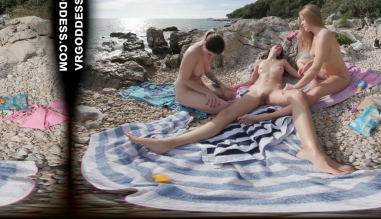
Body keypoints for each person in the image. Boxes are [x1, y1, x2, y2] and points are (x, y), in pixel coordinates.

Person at [126, 43, 355, 174]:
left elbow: (299, 76)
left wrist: (311, 77)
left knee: (297, 95)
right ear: (269, 48)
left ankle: (314, 153)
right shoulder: (259, 62)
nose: (277, 47)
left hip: (274, 93)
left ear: (281, 52)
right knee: (225, 114)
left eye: (280, 46)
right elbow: (251, 81)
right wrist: (234, 87)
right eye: (275, 45)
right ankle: (169, 142)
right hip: (255, 93)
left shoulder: (283, 63)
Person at [238, 4, 352, 125]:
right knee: (301, 61)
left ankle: (267, 116)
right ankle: (313, 82)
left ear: (312, 17)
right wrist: (309, 64)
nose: (301, 23)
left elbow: (315, 69)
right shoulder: (315, 35)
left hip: (338, 76)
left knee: (314, 92)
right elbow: (323, 56)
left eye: (302, 19)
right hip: (325, 72)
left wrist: (296, 86)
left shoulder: (324, 34)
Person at [175, 30, 236, 114]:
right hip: (185, 90)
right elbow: (185, 79)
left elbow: (207, 72)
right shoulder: (192, 53)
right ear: (204, 44)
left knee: (231, 94)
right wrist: (207, 92)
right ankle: (196, 105)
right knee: (225, 107)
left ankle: (202, 103)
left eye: (213, 56)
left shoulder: (207, 54)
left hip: (200, 86)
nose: (211, 57)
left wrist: (221, 84)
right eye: (209, 54)